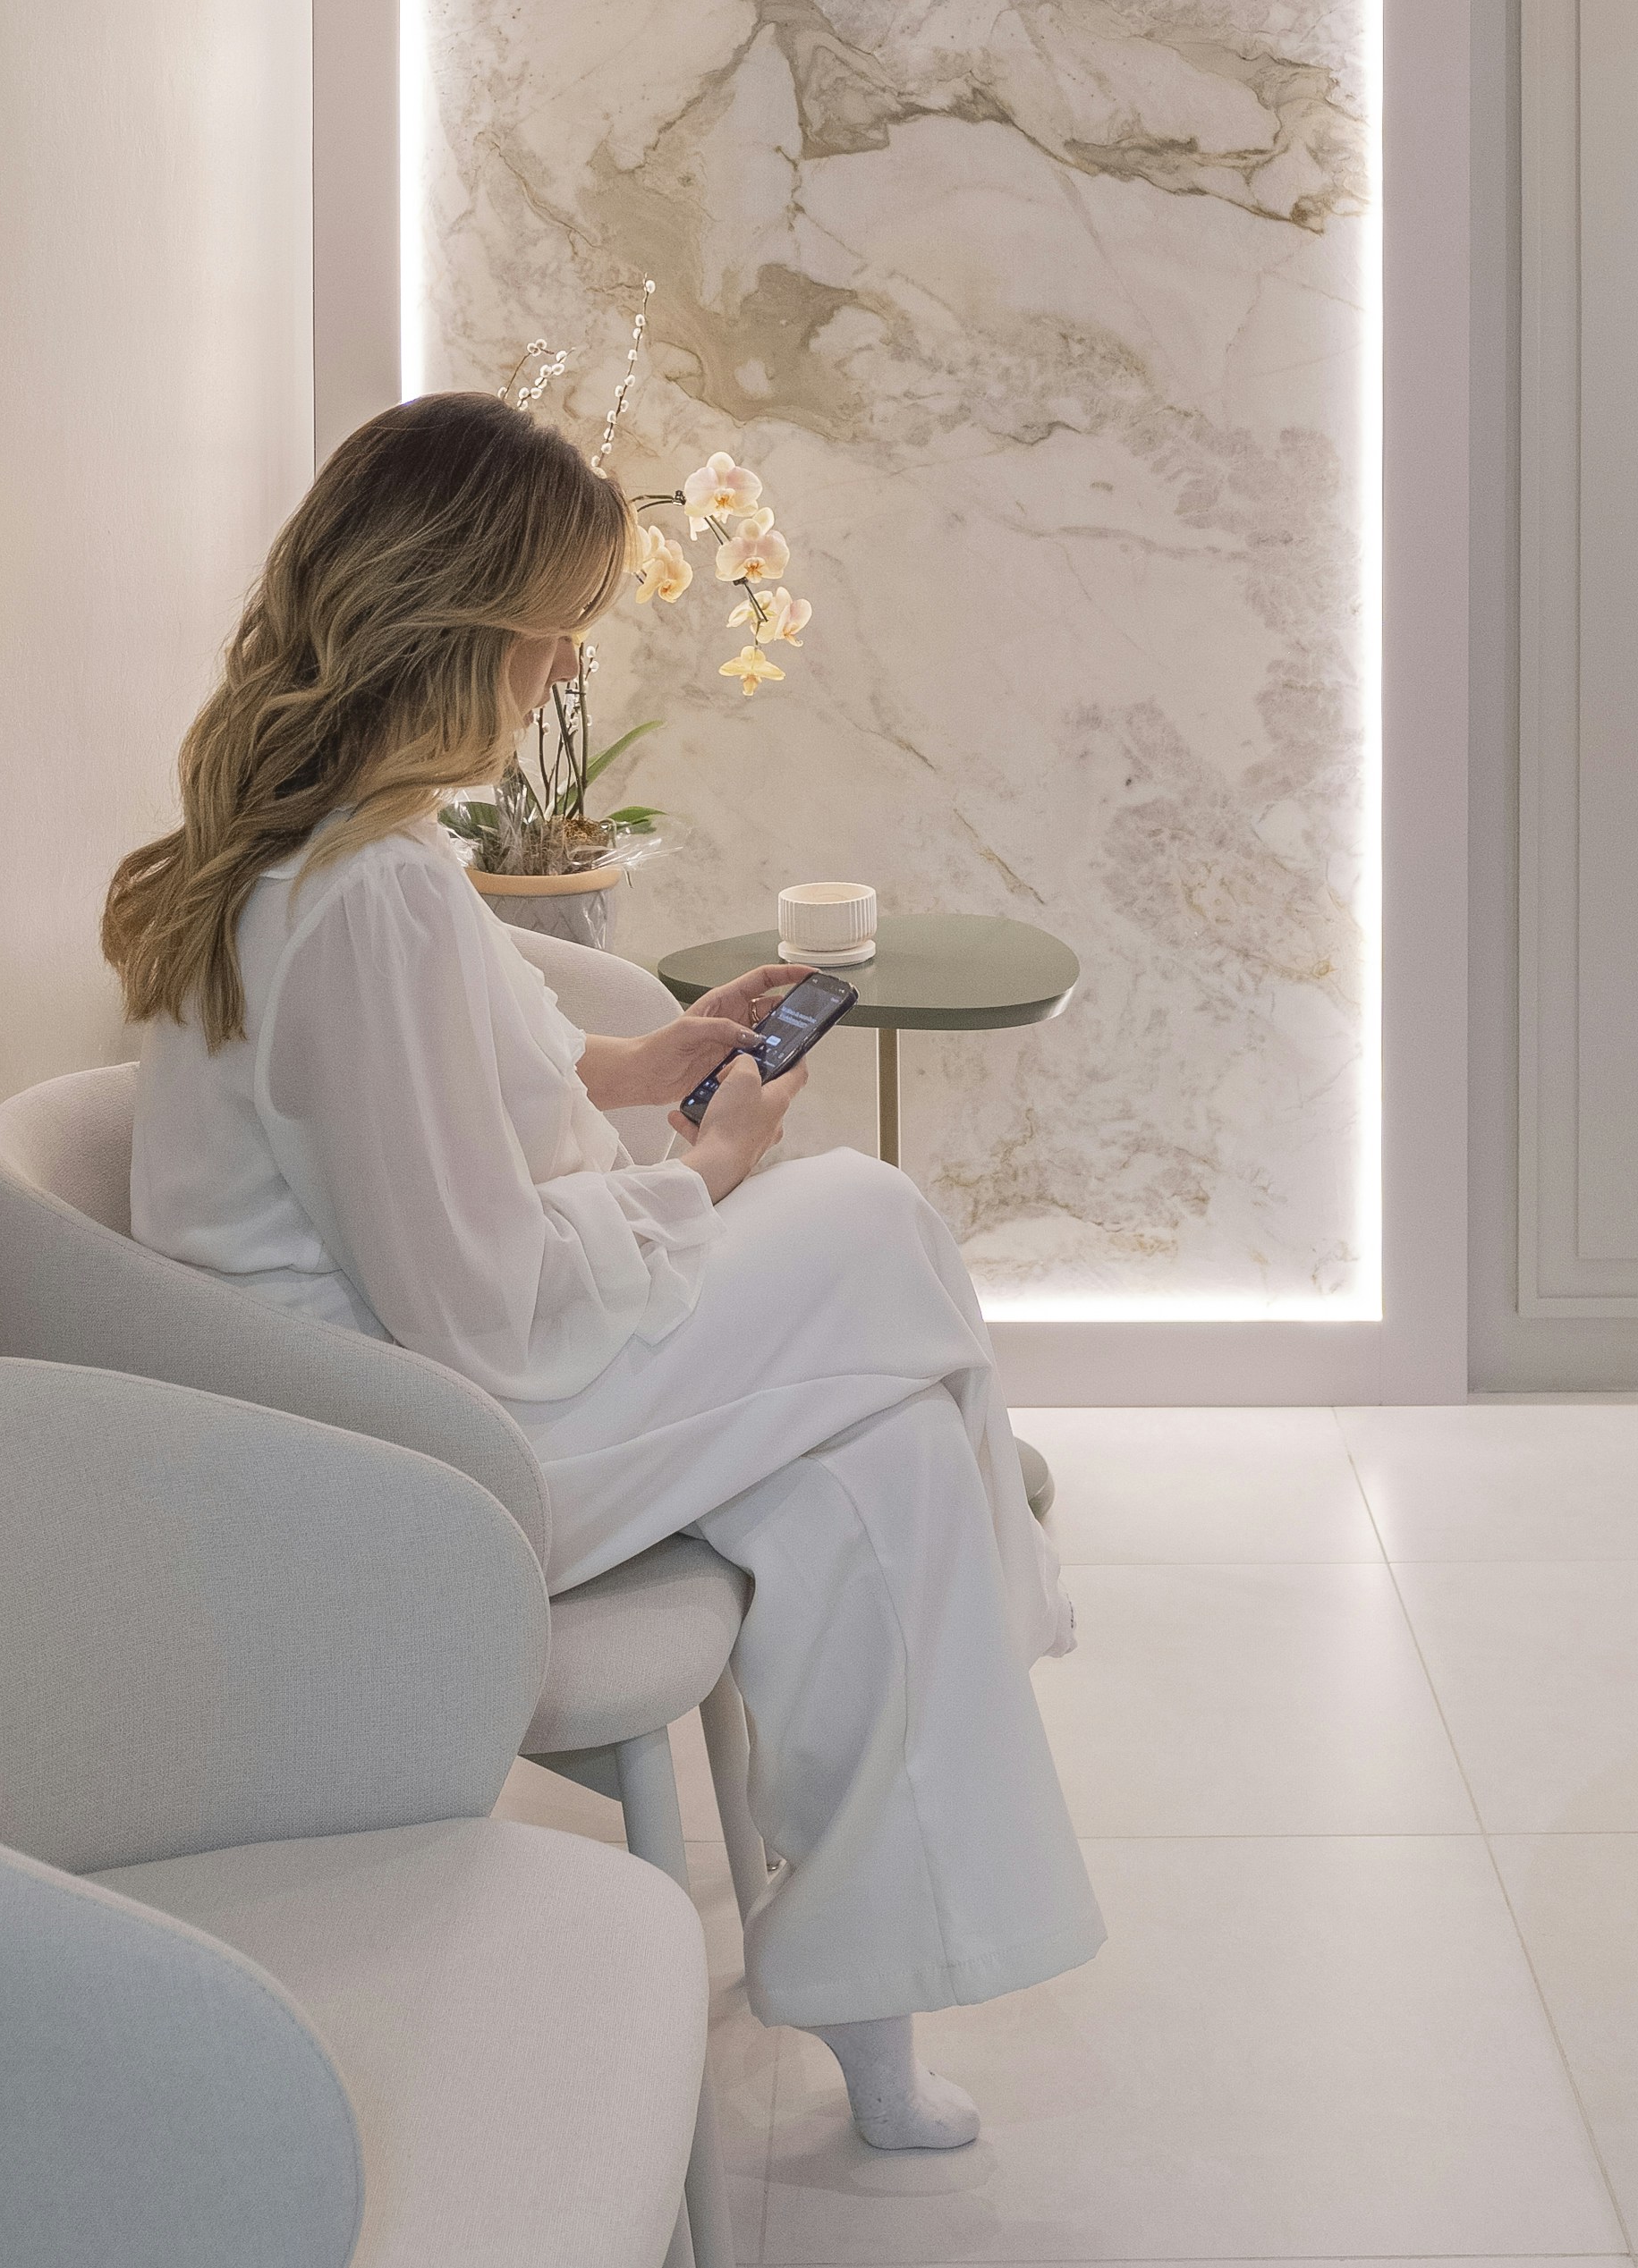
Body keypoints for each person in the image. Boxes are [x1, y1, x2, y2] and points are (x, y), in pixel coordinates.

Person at [107, 386, 1100, 2148]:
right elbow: (473, 1297)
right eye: (558, 621)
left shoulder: (341, 856)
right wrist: (704, 1174)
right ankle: (1010, 1592)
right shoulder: (371, 892)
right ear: (463, 618)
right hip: (422, 1464)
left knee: (869, 1463)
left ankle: (870, 2008)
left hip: (381, 1416)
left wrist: (638, 1071)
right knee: (873, 1219)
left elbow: (427, 1098)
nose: (570, 663)